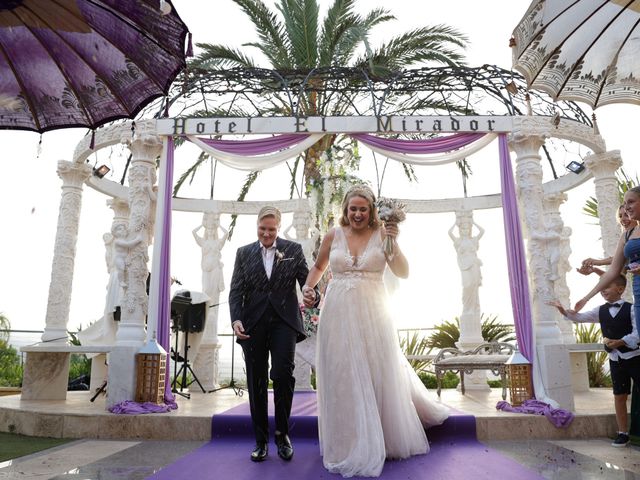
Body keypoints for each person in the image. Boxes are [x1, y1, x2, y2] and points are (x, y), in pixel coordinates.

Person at [302, 184, 449, 478]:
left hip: (373, 313)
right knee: (342, 372)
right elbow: (319, 268)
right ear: (345, 210)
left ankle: (380, 435)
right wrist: (307, 288)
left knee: (375, 369)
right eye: (352, 209)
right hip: (338, 314)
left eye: (363, 209)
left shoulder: (383, 234)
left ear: (371, 212)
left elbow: (403, 272)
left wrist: (394, 242)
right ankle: (348, 440)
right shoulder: (333, 235)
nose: (357, 214)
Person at [229, 206, 318, 463]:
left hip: (284, 323)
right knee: (256, 381)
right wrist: (236, 319)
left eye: (271, 229)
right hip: (252, 324)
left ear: (278, 228)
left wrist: (313, 294)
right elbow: (236, 291)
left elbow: (307, 282)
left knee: (281, 374)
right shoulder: (243, 253)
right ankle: (260, 441)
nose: (266, 233)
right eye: (262, 228)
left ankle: (282, 435)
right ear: (257, 226)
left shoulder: (292, 250)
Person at [550, 273, 639, 447]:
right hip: (615, 360)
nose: (602, 290)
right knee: (619, 396)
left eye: (607, 286)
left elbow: (638, 333)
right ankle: (622, 433)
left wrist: (621, 342)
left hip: (634, 358)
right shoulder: (600, 310)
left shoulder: (632, 309)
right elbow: (579, 317)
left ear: (620, 289)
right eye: (601, 287)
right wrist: (563, 311)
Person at [576, 189, 640, 337]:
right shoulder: (627, 234)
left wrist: (597, 263)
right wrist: (586, 298)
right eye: (624, 204)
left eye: (631, 202)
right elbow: (613, 271)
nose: (626, 207)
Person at [580, 204, 638, 271]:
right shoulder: (626, 236)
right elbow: (618, 259)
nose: (622, 219)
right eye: (620, 216)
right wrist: (595, 267)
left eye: (626, 215)